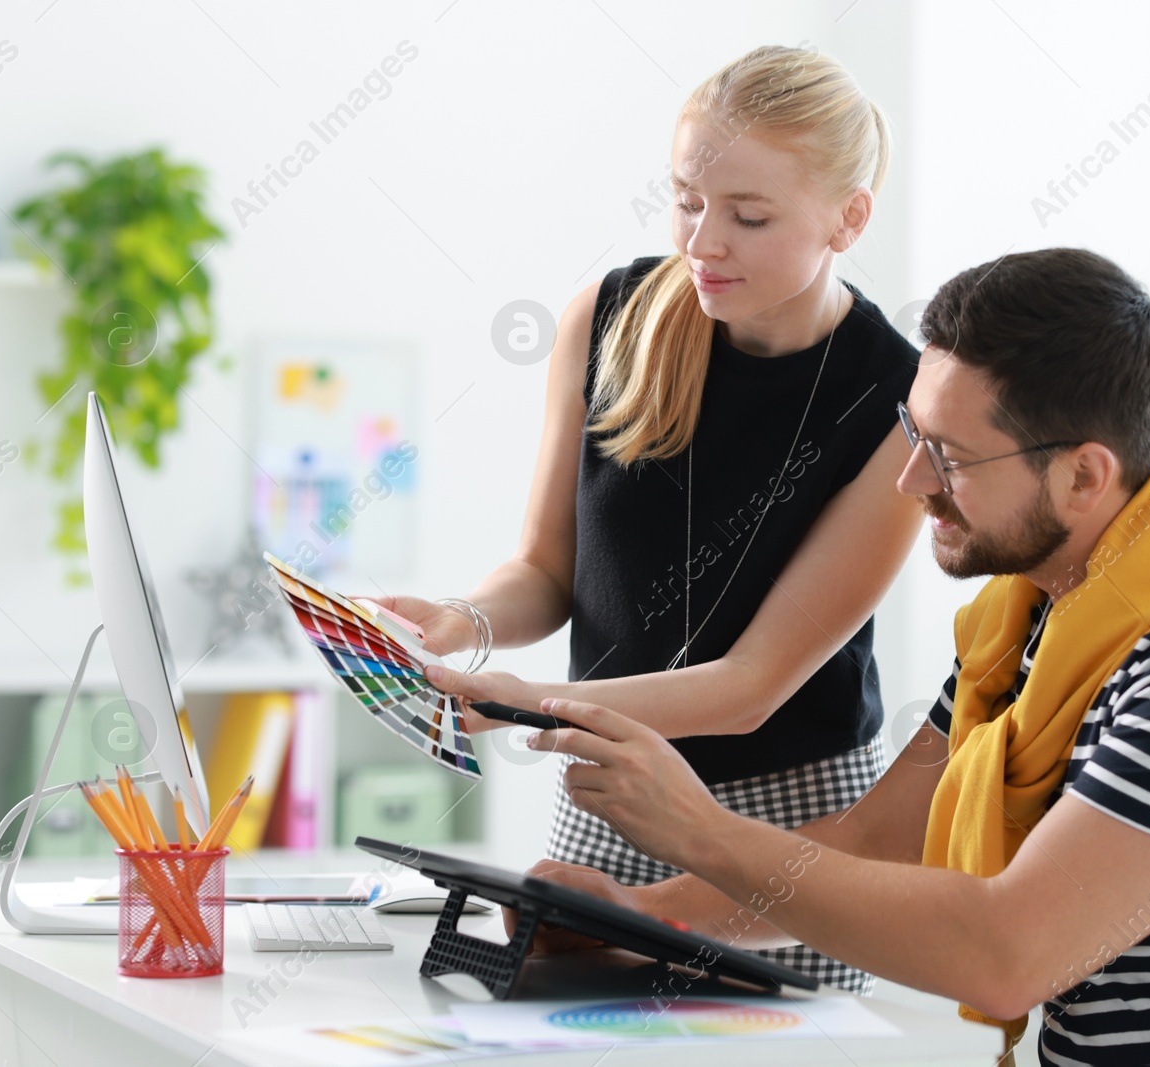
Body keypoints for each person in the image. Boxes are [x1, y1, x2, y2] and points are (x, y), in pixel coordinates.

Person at [514, 248, 1150, 1064]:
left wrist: (699, 829)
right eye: (915, 433)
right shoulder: (1042, 608)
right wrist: (642, 917)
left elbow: (1007, 951)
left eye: (951, 456)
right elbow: (886, 833)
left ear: (1085, 475)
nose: (910, 480)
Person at [382, 45, 922, 992]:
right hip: (603, 797)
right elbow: (548, 571)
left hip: (784, 825)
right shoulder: (610, 314)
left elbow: (751, 685)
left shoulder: (900, 401)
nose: (702, 242)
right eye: (687, 200)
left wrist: (520, 706)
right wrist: (460, 624)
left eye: (749, 216)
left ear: (850, 217)